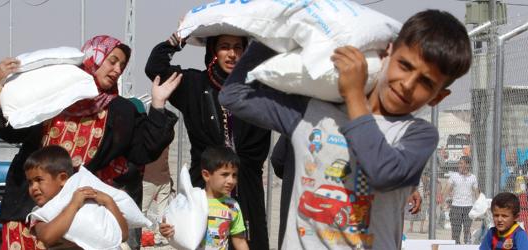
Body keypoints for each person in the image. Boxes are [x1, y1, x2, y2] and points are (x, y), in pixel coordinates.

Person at [218, 9, 472, 249]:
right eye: (404, 65)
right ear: (387, 53)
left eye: (425, 82)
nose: (407, 84)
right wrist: (280, 23)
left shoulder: (417, 134)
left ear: (438, 97)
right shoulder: (311, 112)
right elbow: (233, 95)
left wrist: (354, 96)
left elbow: (382, 172)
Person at [0, 35, 180, 249]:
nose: (117, 70)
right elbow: (10, 130)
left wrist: (159, 104)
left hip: (80, 215)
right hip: (29, 204)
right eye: (112, 60)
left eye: (122, 65)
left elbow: (144, 151)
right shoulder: (55, 97)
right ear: (93, 58)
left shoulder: (120, 111)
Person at [145, 25, 271, 249]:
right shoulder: (194, 85)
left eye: (238, 47)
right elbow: (155, 67)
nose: (232, 54)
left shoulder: (258, 90)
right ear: (213, 51)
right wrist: (178, 39)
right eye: (224, 47)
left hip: (247, 188)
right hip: (203, 189)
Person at [23, 146, 127, 249]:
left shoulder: (90, 204)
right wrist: (74, 204)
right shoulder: (39, 214)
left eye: (39, 180)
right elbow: (48, 237)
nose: (33, 187)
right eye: (30, 183)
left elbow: (123, 236)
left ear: (62, 178)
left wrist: (108, 201)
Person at [160, 147, 249, 250]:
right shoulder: (193, 201)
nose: (231, 180)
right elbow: (176, 226)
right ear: (206, 175)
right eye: (225, 174)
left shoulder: (233, 206)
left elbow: (240, 241)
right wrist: (165, 230)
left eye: (234, 175)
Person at [444, 156, 478, 244]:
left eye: (461, 163)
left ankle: (467, 245)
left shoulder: (473, 177)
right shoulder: (454, 176)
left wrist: (478, 206)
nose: (459, 165)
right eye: (459, 163)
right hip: (456, 207)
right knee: (455, 231)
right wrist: (443, 201)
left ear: (467, 164)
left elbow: (476, 192)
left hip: (468, 207)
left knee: (467, 230)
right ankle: (456, 245)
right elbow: (447, 189)